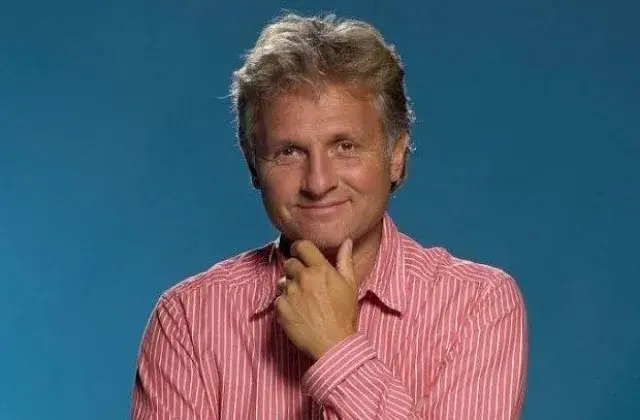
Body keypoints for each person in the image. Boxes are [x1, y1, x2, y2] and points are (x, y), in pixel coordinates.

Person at [131, 13, 528, 420]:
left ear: (395, 156)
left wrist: (336, 348)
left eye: (345, 146)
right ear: (253, 164)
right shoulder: (189, 319)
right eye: (289, 151)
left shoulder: (476, 306)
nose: (318, 182)